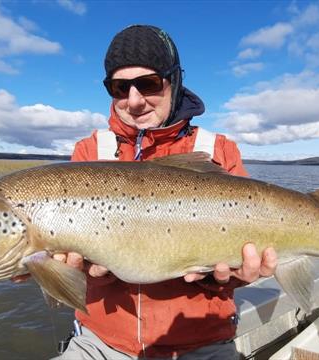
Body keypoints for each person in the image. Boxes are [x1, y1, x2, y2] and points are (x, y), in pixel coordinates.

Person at [54, 25, 278, 359]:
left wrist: (225, 279)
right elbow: (72, 268)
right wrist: (75, 272)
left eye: (148, 84)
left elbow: (237, 271)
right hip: (100, 342)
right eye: (119, 87)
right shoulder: (89, 151)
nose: (134, 101)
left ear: (174, 80)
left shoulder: (219, 149)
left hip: (202, 345)